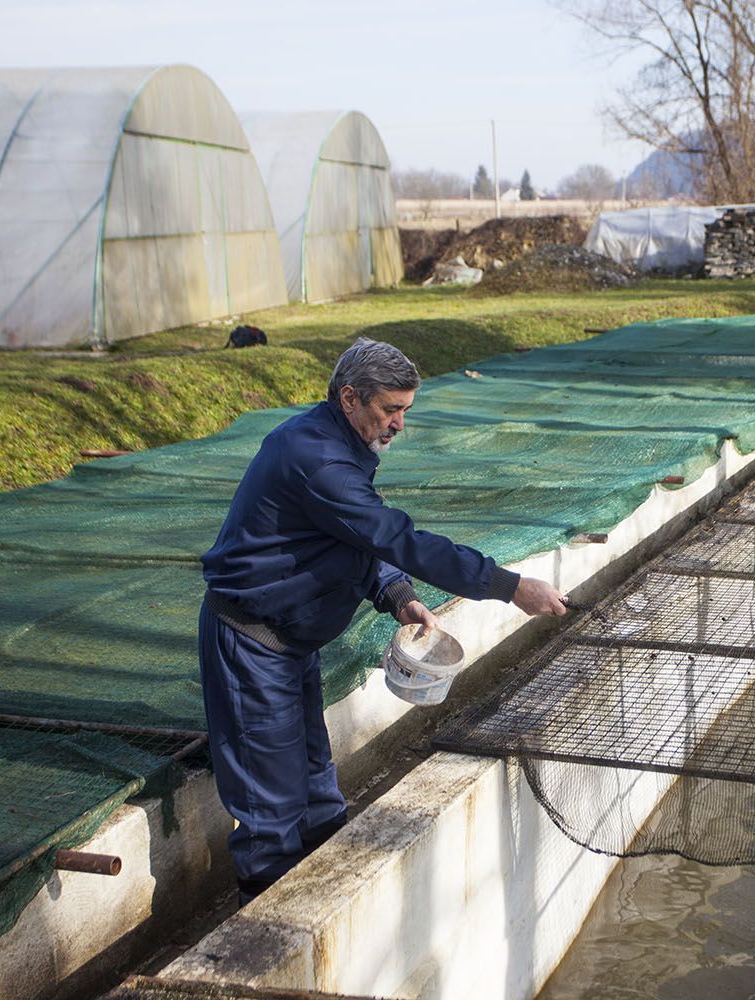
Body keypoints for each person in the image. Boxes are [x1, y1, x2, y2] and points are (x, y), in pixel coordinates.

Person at [199, 338, 567, 905]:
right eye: (390, 409)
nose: (398, 424)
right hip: (253, 641)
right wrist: (510, 587)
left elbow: (345, 540)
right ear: (350, 397)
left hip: (292, 639)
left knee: (318, 782)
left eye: (405, 411)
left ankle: (330, 888)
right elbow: (395, 537)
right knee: (270, 806)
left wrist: (395, 594)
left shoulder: (340, 444)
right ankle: (268, 921)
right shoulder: (316, 459)